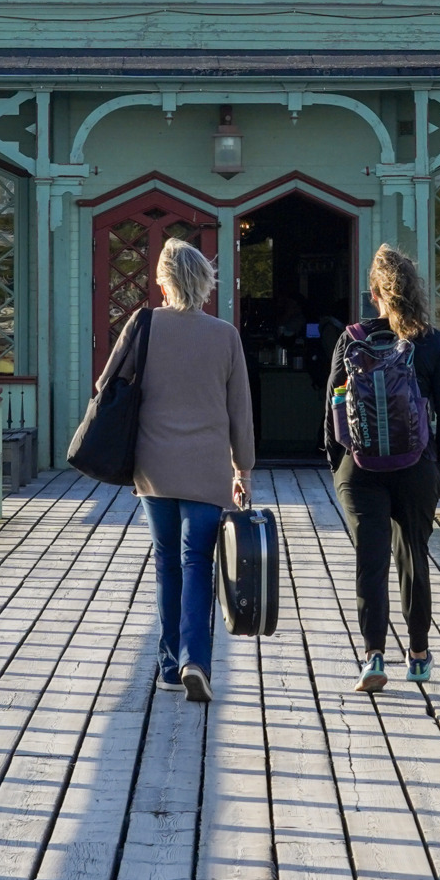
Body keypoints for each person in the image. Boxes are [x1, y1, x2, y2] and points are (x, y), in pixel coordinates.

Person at [323, 244, 440, 693]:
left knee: (371, 558)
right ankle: (418, 655)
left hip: (359, 467)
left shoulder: (352, 336)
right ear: (414, 290)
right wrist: (434, 465)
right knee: (413, 555)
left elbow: (332, 409)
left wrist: (339, 464)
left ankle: (373, 655)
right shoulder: (432, 341)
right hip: (416, 464)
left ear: (374, 293)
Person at [127, 238, 255, 704]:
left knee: (166, 565)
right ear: (204, 284)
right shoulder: (224, 335)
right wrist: (243, 468)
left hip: (154, 467)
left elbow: (107, 387)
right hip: (206, 469)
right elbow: (240, 411)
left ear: (162, 283)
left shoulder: (142, 327)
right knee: (197, 562)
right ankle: (194, 661)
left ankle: (167, 663)